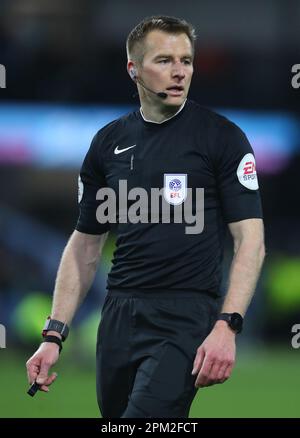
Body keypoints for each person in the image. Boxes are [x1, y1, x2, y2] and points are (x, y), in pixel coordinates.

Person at [26, 15, 265, 418]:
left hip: (185, 316)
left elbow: (251, 243)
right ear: (133, 69)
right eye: (164, 60)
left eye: (186, 61)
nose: (179, 72)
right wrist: (54, 334)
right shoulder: (108, 143)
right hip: (118, 316)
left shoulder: (221, 138)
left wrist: (228, 325)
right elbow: (85, 244)